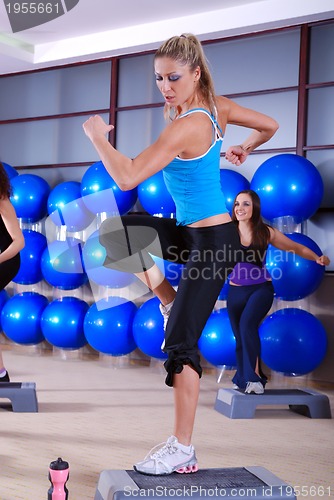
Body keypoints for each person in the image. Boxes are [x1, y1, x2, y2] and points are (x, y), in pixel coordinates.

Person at [83, 33, 279, 476]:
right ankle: (169, 301)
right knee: (118, 234)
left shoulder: (189, 123)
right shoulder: (214, 106)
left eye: (174, 77)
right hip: (188, 232)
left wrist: (97, 137)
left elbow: (129, 176)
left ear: (195, 73)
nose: (165, 86)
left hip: (215, 243)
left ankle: (183, 448)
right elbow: (270, 125)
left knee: (180, 345)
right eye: (158, 78)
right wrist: (248, 147)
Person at [227, 189, 330, 395]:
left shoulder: (266, 232)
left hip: (260, 289)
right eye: (237, 204)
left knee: (248, 326)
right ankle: (243, 377)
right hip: (235, 292)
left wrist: (317, 258)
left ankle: (253, 379)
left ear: (254, 207)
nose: (240, 208)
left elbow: (296, 248)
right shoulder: (225, 231)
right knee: (240, 336)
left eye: (246, 204)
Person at [0, 163, 25, 382]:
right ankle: (1, 373)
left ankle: (0, 373)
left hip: (6, 259)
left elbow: (19, 242)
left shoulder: (3, 202)